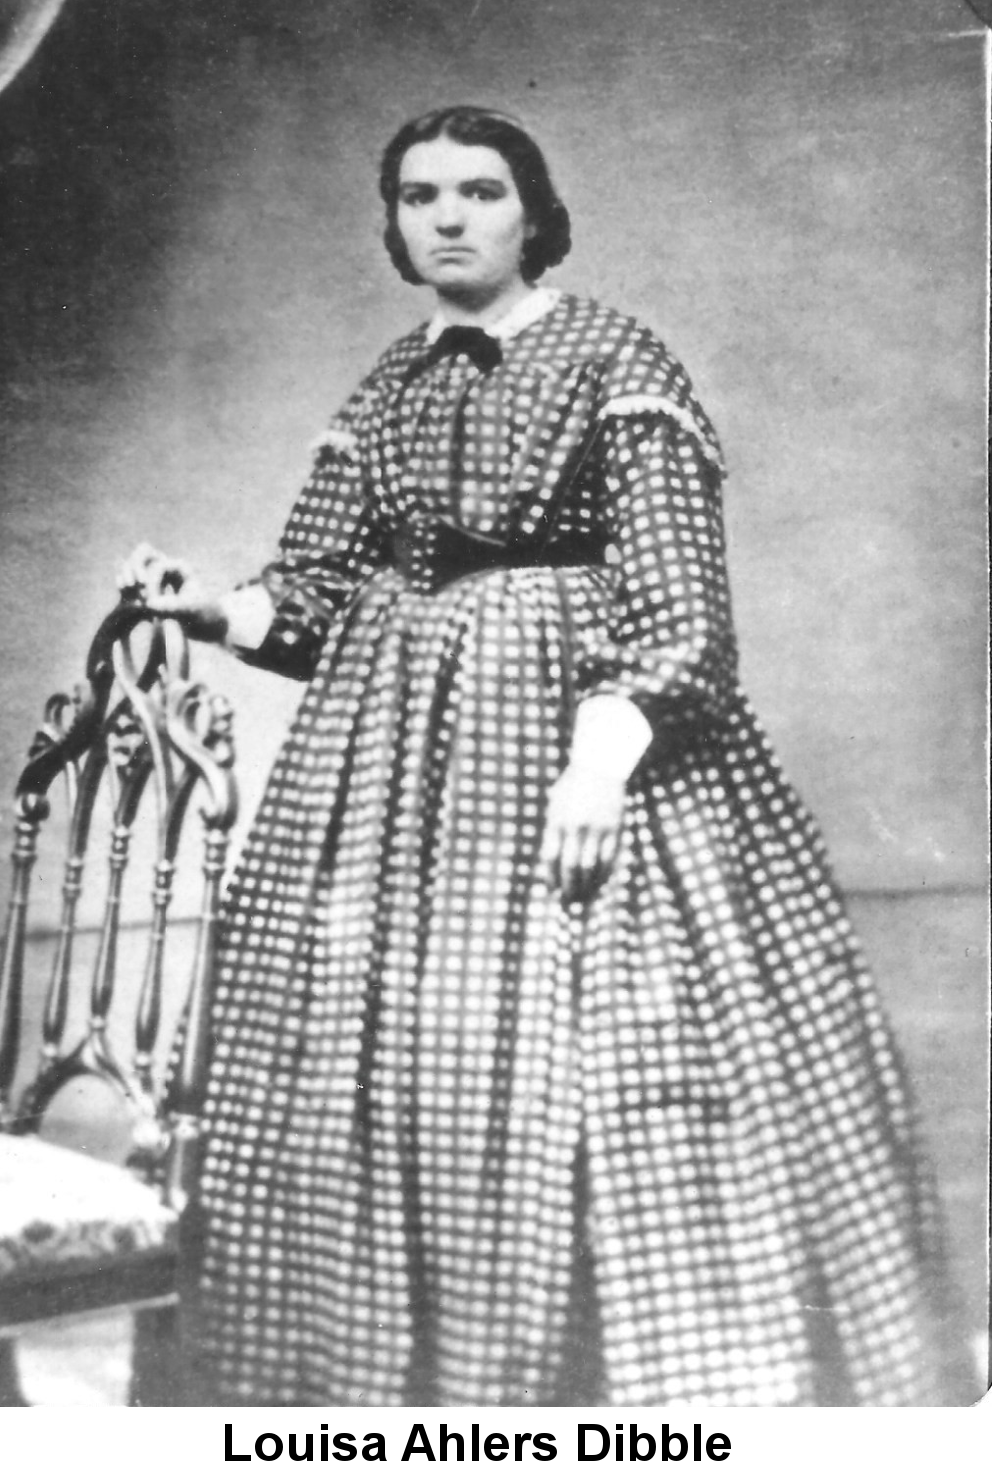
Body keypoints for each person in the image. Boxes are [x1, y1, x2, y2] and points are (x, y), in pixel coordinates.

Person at [119, 106, 958, 1407]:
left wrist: (600, 760)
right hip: (385, 794)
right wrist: (206, 606)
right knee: (380, 1073)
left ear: (533, 212)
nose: (447, 217)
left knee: (601, 1073)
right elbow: (314, 598)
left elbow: (682, 611)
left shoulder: (616, 357)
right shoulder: (387, 386)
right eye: (417, 195)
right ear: (393, 220)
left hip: (583, 759)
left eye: (479, 190)